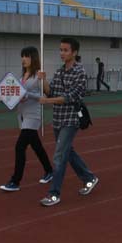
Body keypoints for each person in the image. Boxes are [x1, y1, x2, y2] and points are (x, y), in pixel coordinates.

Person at [38, 38, 98, 207]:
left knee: (59, 156)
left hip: (71, 119)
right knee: (67, 152)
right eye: (60, 50)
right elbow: (51, 92)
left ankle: (54, 194)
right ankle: (89, 178)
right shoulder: (59, 72)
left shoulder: (80, 72)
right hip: (58, 119)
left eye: (65, 50)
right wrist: (43, 80)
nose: (62, 53)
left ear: (74, 52)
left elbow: (71, 97)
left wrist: (47, 101)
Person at [0, 47, 53, 192]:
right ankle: (49, 170)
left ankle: (15, 181)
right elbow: (18, 94)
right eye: (22, 56)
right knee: (36, 146)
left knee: (20, 147)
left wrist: (42, 81)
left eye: (27, 56)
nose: (23, 59)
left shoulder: (38, 75)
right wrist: (6, 97)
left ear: (33, 58)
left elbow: (47, 94)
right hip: (22, 115)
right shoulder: (22, 76)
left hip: (33, 115)